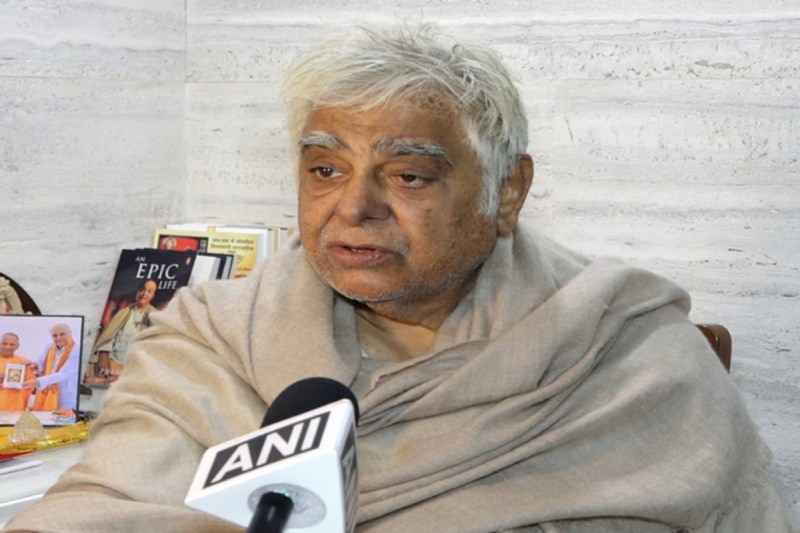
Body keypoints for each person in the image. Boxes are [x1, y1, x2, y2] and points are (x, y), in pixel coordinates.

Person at [7, 25, 797, 533]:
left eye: (409, 175)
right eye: (324, 168)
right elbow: (92, 513)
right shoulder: (209, 337)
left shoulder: (631, 352)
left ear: (507, 192)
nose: (353, 207)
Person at [84, 278, 158, 385]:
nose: (144, 294)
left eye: (149, 291)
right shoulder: (123, 313)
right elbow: (108, 337)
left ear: (153, 295)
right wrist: (103, 356)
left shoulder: (157, 317)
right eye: (142, 289)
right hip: (113, 365)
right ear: (137, 291)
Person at [30, 323, 79, 412]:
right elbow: (40, 362)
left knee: (64, 416)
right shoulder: (49, 347)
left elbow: (65, 374)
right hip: (46, 390)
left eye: (62, 334)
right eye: (55, 335)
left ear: (70, 334)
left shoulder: (76, 349)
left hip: (65, 393)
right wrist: (35, 365)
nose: (58, 337)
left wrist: (39, 381)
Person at [0, 332, 36, 411]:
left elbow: (31, 385)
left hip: (15, 406)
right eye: (4, 343)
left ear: (17, 346)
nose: (7, 347)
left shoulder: (24, 362)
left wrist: (20, 387)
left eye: (12, 344)